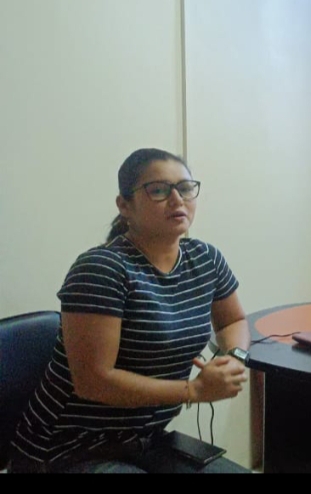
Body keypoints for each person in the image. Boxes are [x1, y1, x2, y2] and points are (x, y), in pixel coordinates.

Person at [8, 149, 251, 474]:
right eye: (159, 190)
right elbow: (94, 381)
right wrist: (193, 391)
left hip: (145, 440)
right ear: (124, 205)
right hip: (68, 450)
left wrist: (234, 358)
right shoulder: (102, 268)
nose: (177, 199)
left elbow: (234, 320)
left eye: (185, 188)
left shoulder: (206, 259)